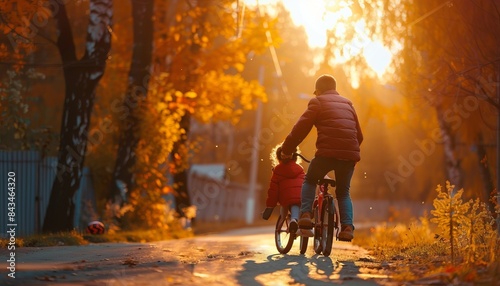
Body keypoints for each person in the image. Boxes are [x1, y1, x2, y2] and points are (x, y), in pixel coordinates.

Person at [281, 74, 363, 241]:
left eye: (315, 92)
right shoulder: (348, 104)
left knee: (310, 180)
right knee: (343, 192)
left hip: (326, 154)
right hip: (349, 155)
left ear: (318, 90)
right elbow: (359, 135)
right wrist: (348, 153)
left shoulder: (317, 102)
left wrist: (287, 149)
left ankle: (305, 214)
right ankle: (347, 227)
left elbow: (301, 128)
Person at [264, 144, 305, 234]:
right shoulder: (300, 169)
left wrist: (270, 206)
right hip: (301, 195)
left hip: (286, 198)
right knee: (296, 204)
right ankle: (296, 220)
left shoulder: (277, 170)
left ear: (278, 157)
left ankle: (289, 222)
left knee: (287, 202)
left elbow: (273, 191)